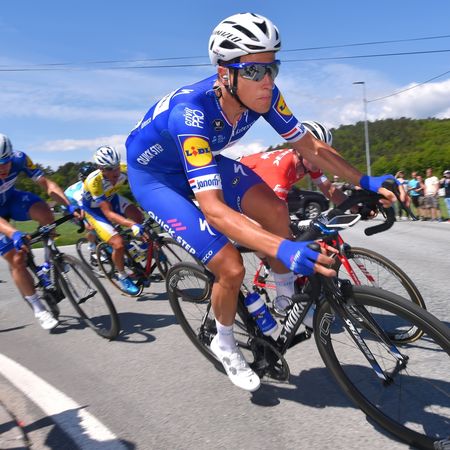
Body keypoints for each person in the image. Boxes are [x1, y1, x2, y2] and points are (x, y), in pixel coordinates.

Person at [125, 12, 395, 392]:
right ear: (225, 74)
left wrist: (364, 181)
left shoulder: (264, 96)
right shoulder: (192, 113)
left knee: (276, 210)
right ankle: (224, 342)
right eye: (254, 70)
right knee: (230, 266)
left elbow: (310, 147)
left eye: (273, 68)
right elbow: (214, 209)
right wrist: (282, 248)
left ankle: (285, 294)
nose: (267, 81)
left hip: (202, 159)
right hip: (157, 179)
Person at [0, 134, 78, 330]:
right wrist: (14, 233)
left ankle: (50, 262)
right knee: (17, 258)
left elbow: (47, 184)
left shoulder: (20, 158)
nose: (3, 167)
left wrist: (69, 205)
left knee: (45, 211)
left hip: (11, 200)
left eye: (6, 162)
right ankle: (39, 309)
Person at [81, 146, 146, 295]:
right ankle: (122, 276)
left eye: (116, 166)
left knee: (139, 217)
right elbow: (108, 213)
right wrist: (131, 224)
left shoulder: (124, 169)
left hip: (113, 199)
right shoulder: (94, 181)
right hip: (95, 211)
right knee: (118, 243)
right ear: (100, 168)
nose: (115, 172)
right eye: (109, 169)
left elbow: (141, 185)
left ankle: (142, 248)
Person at [64, 163, 98, 256]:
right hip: (70, 208)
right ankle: (92, 249)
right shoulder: (80, 191)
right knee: (90, 226)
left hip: (80, 203)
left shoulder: (94, 184)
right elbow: (83, 212)